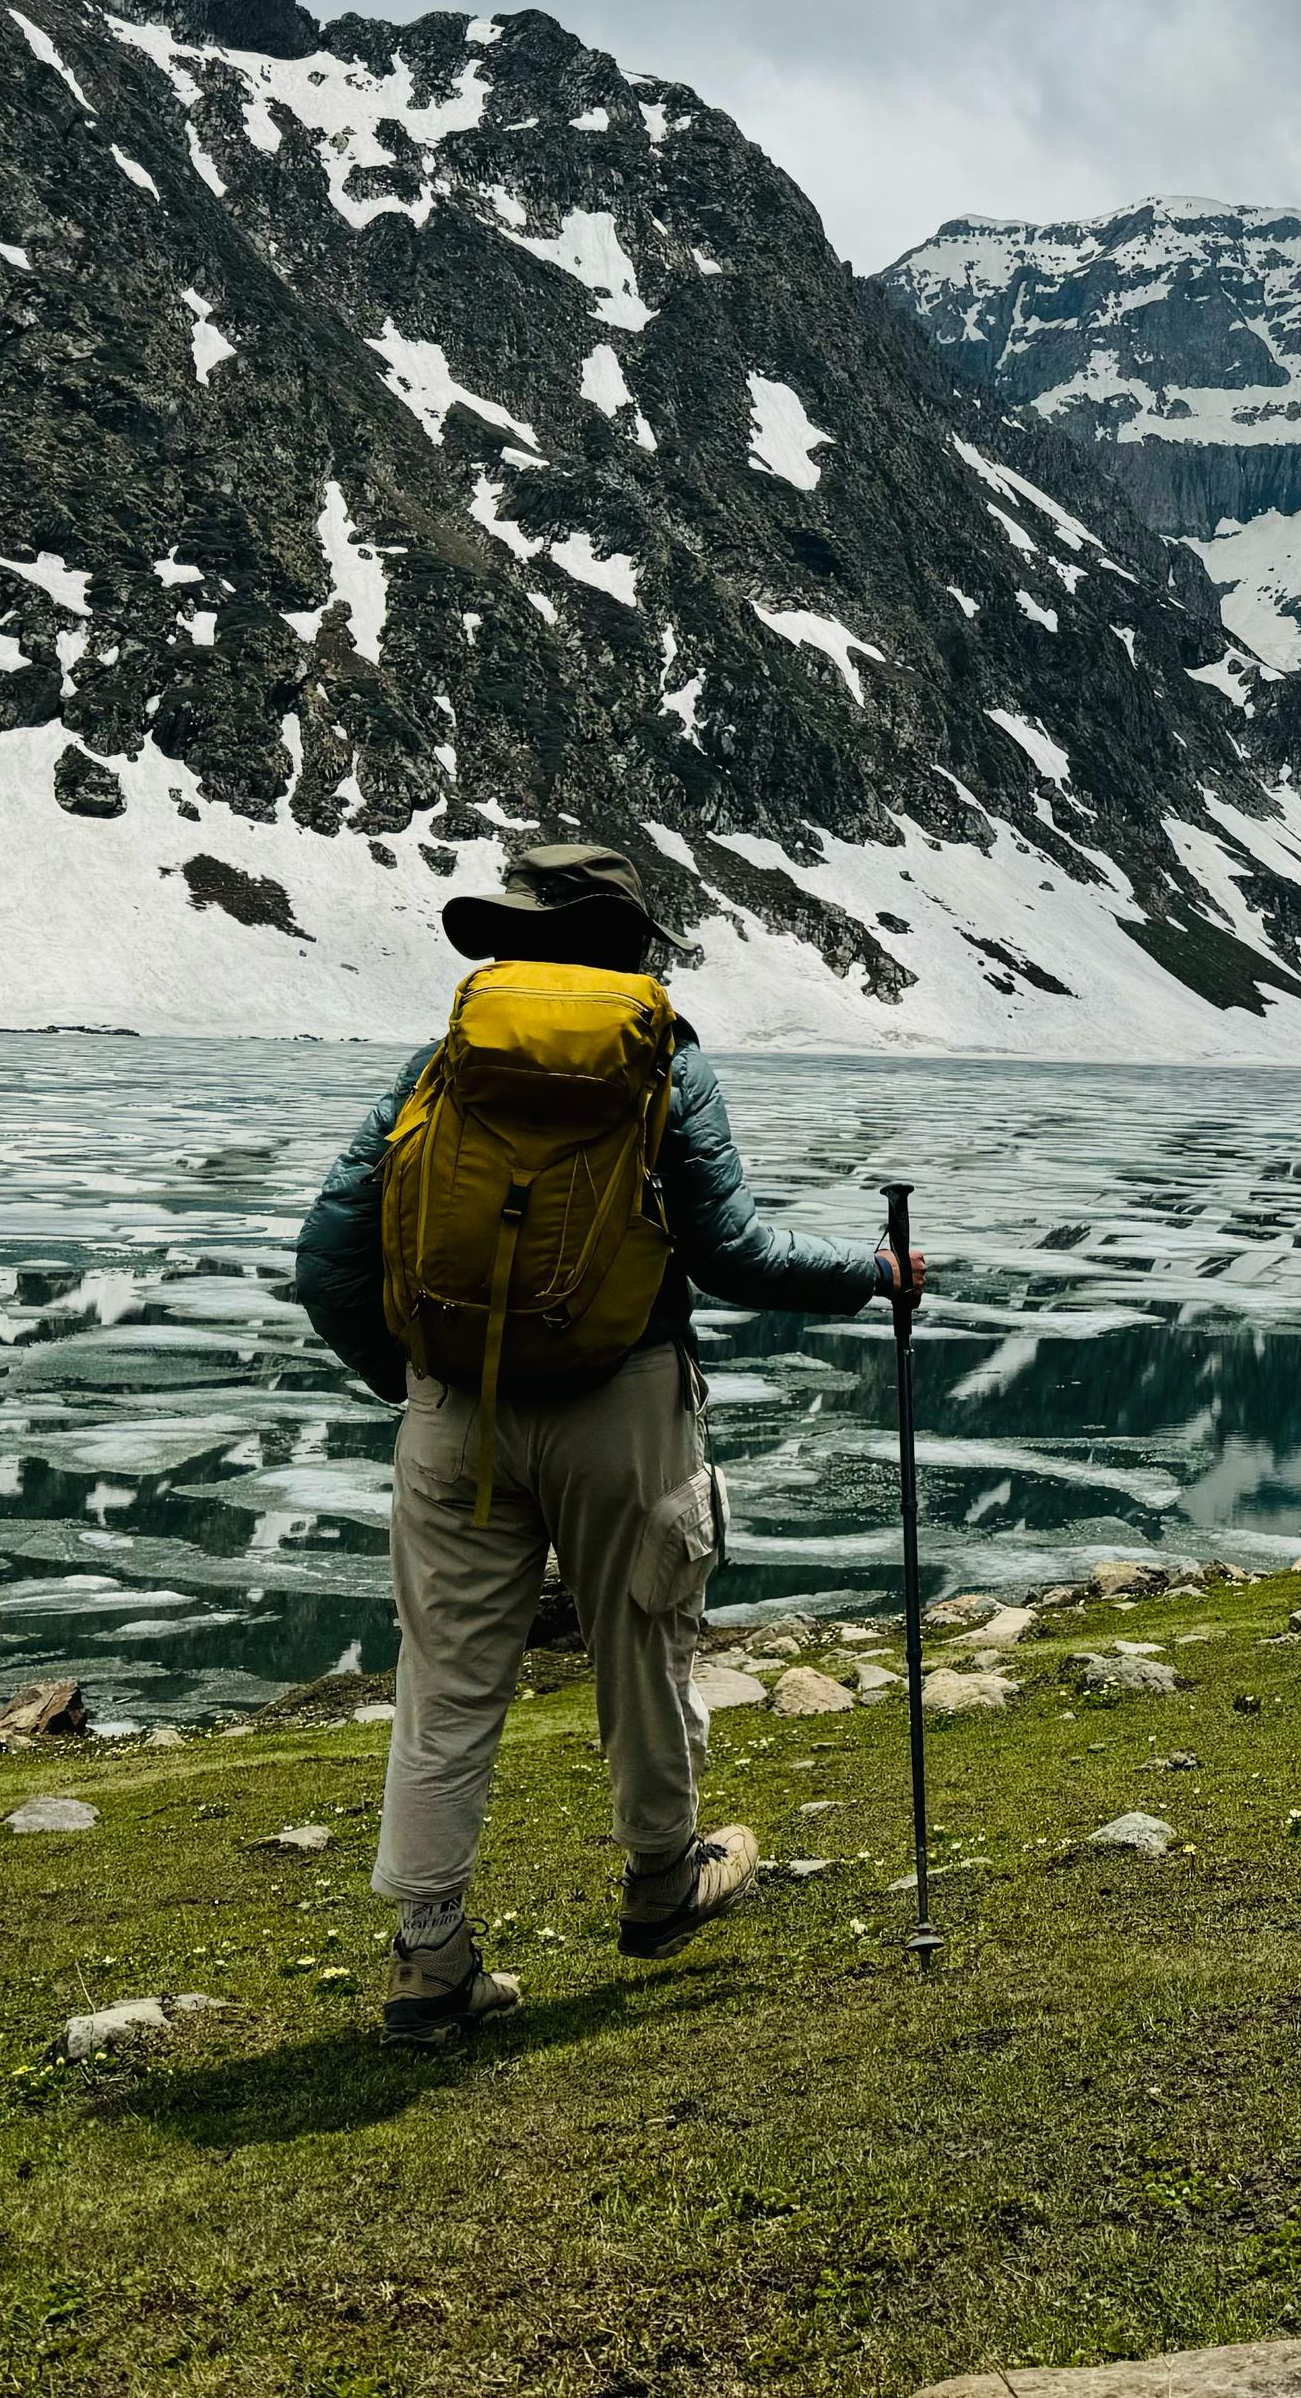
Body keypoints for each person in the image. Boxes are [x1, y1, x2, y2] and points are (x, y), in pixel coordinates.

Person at [292, 840, 927, 2038]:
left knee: (446, 1687)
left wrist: (424, 1384)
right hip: (623, 1403)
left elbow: (326, 1257)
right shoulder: (661, 1065)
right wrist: (875, 1274)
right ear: (631, 950)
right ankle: (658, 1880)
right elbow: (733, 1256)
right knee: (646, 1644)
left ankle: (429, 1957)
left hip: (452, 1418)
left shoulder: (446, 1065)